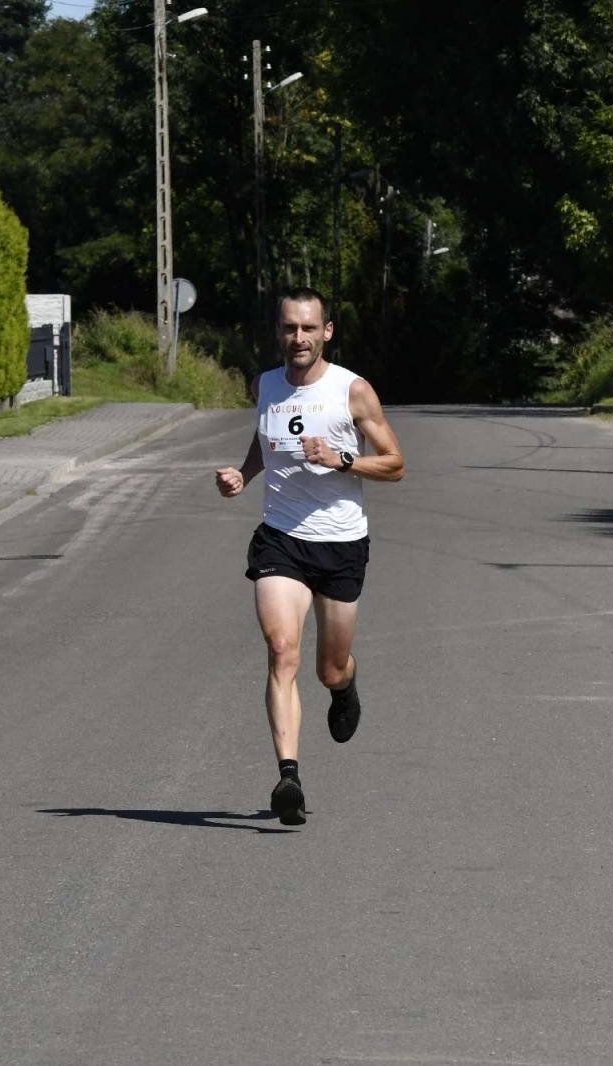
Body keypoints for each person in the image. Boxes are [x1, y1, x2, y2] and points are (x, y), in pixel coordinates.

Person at [214, 288, 405, 826]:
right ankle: (289, 776)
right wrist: (243, 475)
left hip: (342, 543)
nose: (297, 338)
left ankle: (345, 687)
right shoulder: (265, 386)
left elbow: (394, 464)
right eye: (288, 328)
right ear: (277, 331)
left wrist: (343, 459)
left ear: (327, 332)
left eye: (307, 328)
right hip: (281, 537)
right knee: (282, 651)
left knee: (328, 667)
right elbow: (265, 438)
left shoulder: (353, 391)